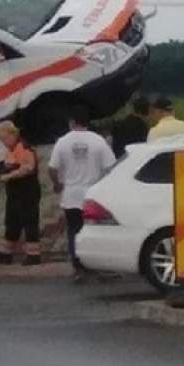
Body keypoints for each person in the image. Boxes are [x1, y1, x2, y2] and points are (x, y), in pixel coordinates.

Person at [48, 106, 116, 281]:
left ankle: (78, 266)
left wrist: (57, 184)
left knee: (74, 231)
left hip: (71, 195)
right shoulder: (98, 141)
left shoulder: (62, 141)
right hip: (94, 196)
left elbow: (52, 168)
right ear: (88, 122)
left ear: (71, 122)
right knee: (97, 231)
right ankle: (99, 265)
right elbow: (111, 167)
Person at [0, 121, 42, 266]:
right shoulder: (10, 150)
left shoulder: (24, 147)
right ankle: (5, 254)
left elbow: (28, 168)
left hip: (27, 191)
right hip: (14, 193)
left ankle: (34, 255)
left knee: (29, 221)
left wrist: (9, 176)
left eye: (3, 138)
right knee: (11, 221)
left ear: (12, 134)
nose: (3, 142)